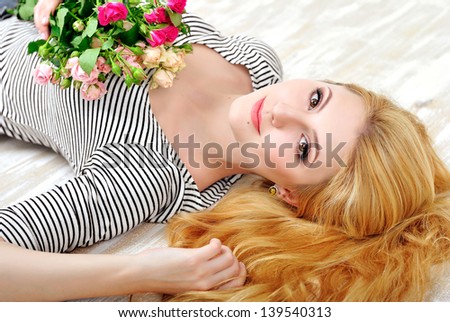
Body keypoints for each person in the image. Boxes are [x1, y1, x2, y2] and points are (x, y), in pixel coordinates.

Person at [1, 0, 449, 302]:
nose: (281, 111)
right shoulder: (256, 62)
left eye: (304, 147)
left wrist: (139, 272)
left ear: (290, 195)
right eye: (316, 98)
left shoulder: (145, 174)